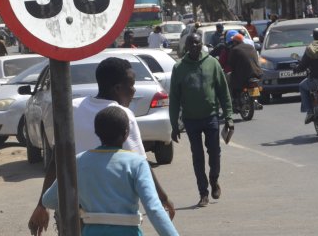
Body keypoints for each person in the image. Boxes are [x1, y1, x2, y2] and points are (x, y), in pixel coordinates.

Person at [28, 57, 175, 235]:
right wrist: (163, 197)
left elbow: (57, 161)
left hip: (74, 212)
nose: (134, 90)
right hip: (118, 215)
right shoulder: (122, 115)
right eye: (131, 84)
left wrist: (40, 205)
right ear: (118, 88)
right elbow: (141, 163)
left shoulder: (73, 108)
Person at [41, 106, 179, 236]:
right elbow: (154, 209)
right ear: (126, 134)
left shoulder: (78, 161)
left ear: (97, 133)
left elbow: (48, 200)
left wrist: (83, 204)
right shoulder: (136, 163)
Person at [169, 33, 233, 208]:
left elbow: (223, 92)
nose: (195, 46)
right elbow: (174, 98)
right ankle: (203, 193)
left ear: (202, 44)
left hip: (211, 117)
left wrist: (229, 117)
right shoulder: (179, 67)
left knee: (214, 152)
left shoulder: (212, 63)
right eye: (191, 44)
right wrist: (174, 125)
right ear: (186, 47)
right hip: (191, 120)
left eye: (197, 43)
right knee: (197, 157)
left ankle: (214, 180)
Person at [226, 33, 263, 102]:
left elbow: (231, 64)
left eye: (233, 41)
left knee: (228, 77)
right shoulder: (251, 47)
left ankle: (233, 99)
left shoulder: (235, 49)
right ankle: (255, 99)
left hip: (243, 76)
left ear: (236, 42)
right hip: (257, 73)